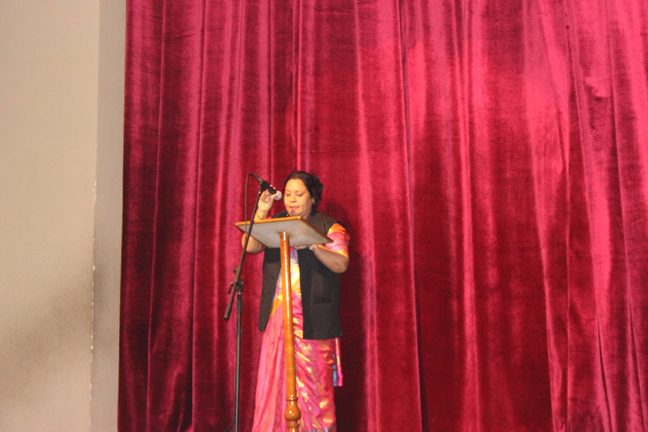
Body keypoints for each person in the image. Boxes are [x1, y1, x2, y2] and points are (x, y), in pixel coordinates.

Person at [242, 171, 350, 432]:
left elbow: (341, 264)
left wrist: (312, 244)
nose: (291, 200)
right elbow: (250, 246)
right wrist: (261, 213)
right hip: (279, 315)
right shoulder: (276, 222)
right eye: (288, 194)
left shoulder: (329, 227)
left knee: (315, 390)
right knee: (275, 382)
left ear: (312, 198)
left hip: (313, 320)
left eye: (299, 194)